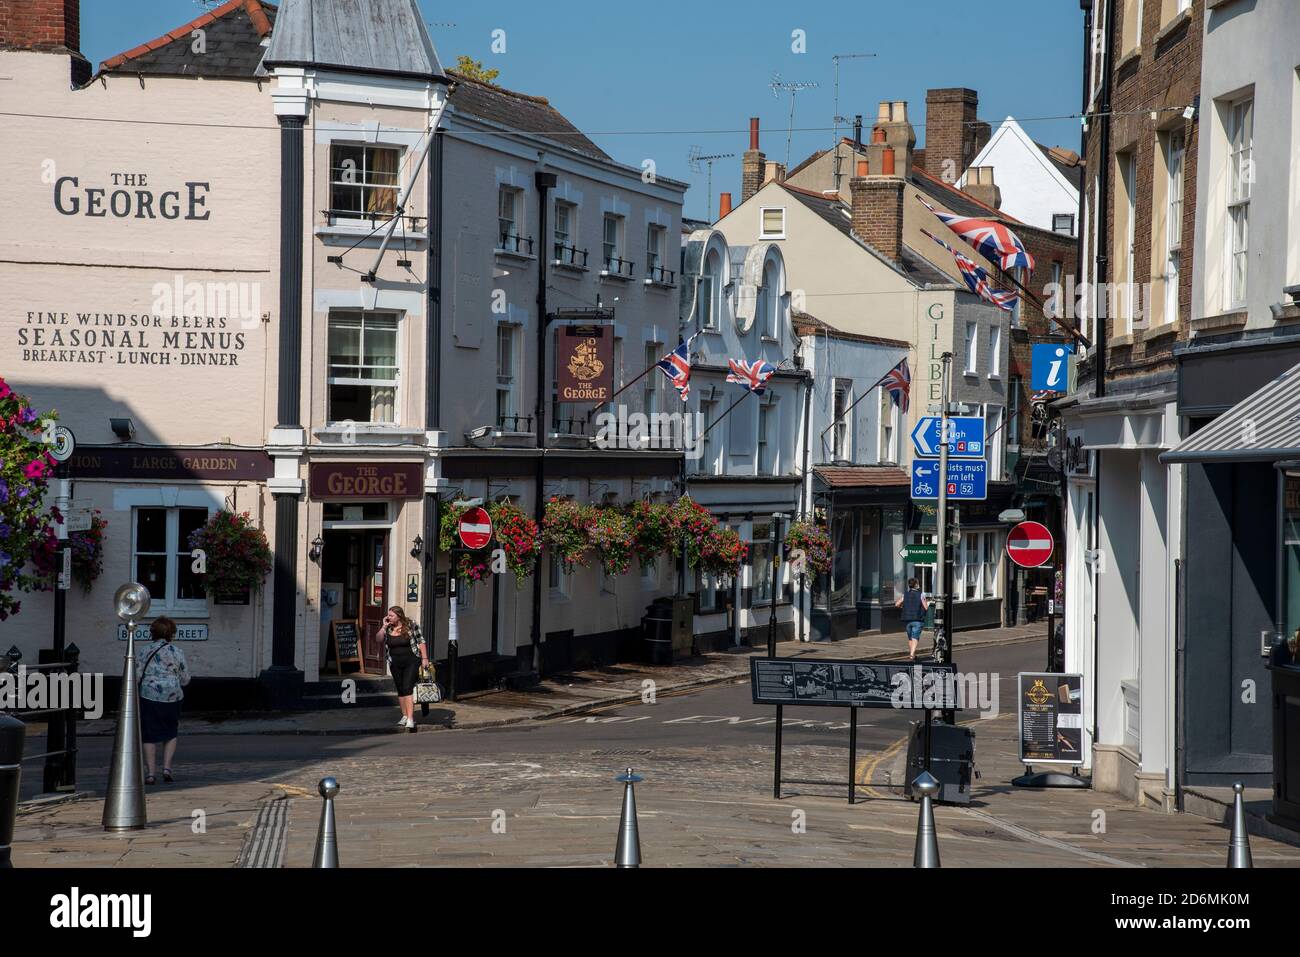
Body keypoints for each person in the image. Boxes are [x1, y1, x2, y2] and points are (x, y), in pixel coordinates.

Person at [137, 616, 190, 785]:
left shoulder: (144, 651)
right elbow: (185, 679)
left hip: (149, 695)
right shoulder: (177, 652)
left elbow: (136, 675)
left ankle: (151, 774)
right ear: (171, 634)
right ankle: (167, 769)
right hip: (172, 696)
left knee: (149, 735)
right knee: (170, 732)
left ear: (153, 632)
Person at [381, 605, 429, 731]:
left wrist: (425, 659)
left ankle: (410, 719)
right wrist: (383, 627)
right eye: (388, 615)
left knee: (407, 687)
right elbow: (378, 639)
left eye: (391, 615)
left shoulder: (411, 625)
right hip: (394, 663)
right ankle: (404, 715)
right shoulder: (388, 628)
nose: (388, 617)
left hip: (411, 661)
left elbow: (421, 641)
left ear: (399, 616)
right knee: (400, 689)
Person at [894, 578, 929, 661]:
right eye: (918, 583)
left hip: (907, 620)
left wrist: (904, 607)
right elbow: (926, 607)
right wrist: (928, 603)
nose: (919, 584)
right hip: (917, 619)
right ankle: (912, 655)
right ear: (916, 584)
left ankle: (912, 654)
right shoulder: (921, 594)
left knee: (910, 638)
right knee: (915, 638)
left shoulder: (905, 594)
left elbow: (897, 604)